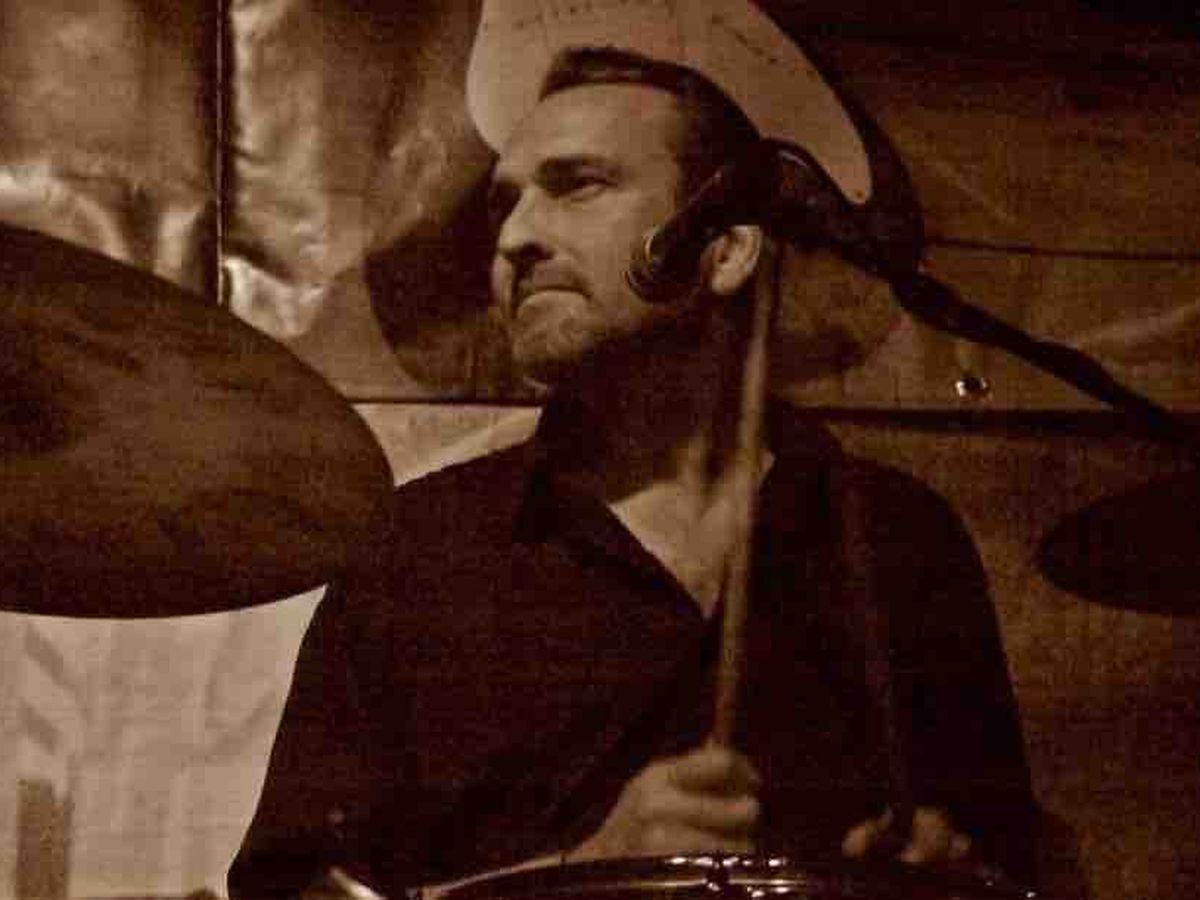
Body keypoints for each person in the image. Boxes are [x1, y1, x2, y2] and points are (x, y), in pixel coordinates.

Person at [229, 47, 1037, 900]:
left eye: (577, 185)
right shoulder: (421, 552)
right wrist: (587, 873)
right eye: (505, 203)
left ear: (726, 251)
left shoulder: (894, 537)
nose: (515, 238)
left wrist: (937, 871)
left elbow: (1011, 869)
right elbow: (292, 895)